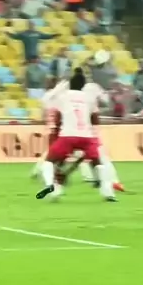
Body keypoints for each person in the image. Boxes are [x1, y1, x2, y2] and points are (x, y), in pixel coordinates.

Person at [35, 69, 116, 202]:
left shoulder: (63, 96)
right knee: (98, 163)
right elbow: (95, 118)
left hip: (68, 135)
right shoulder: (89, 98)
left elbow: (46, 101)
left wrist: (59, 87)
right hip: (86, 136)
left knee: (49, 162)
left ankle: (51, 187)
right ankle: (107, 192)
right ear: (83, 86)